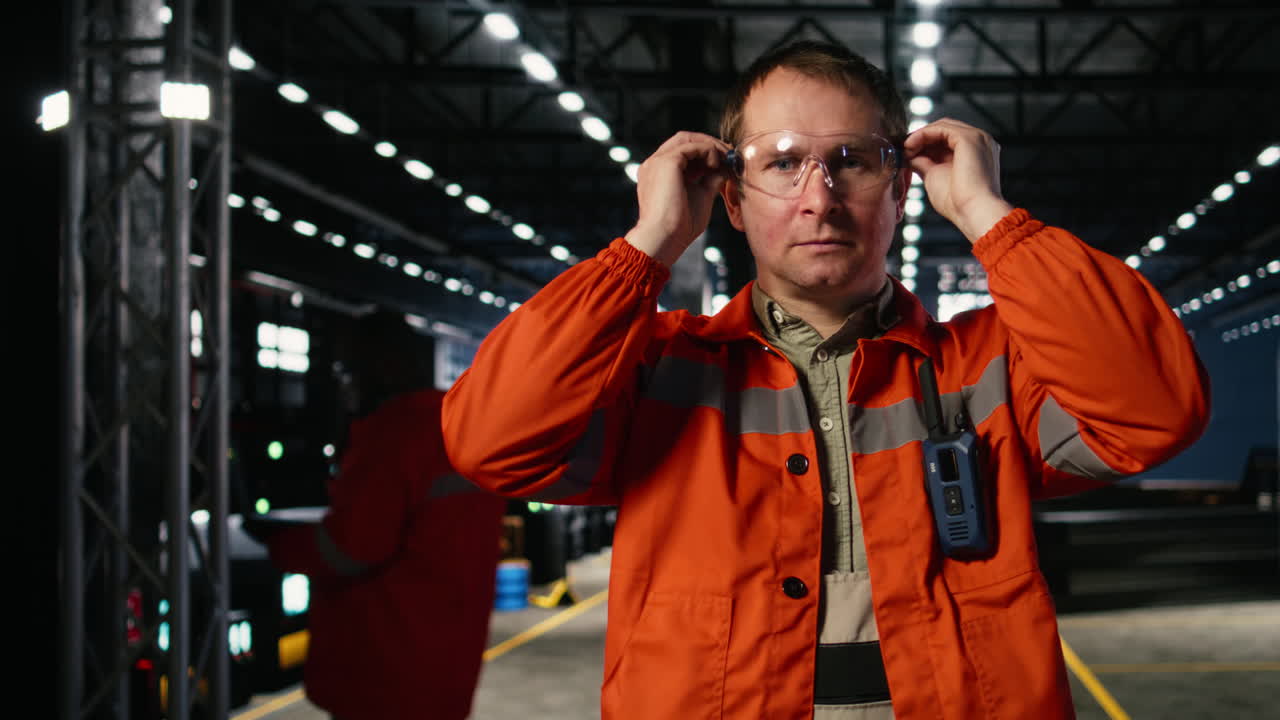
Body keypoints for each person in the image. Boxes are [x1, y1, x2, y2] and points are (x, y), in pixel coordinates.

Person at [442, 40, 1209, 719]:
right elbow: (491, 443)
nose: (820, 198)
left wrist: (989, 215)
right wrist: (647, 245)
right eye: (782, 163)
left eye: (852, 161)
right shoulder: (658, 370)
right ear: (731, 201)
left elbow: (1157, 410)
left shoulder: (991, 367)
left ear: (903, 186)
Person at [247, 310, 505, 720]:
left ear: (381, 365)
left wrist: (276, 543)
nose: (350, 384)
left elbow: (352, 549)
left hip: (387, 665)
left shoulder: (392, 435)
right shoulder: (460, 425)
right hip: (449, 656)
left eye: (352, 370)